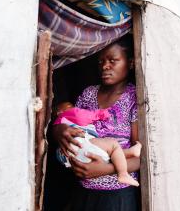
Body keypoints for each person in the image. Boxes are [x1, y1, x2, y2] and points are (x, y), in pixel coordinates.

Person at [53, 35, 141, 211]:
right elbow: (70, 122)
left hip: (117, 195)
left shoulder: (135, 98)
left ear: (130, 63)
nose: (105, 66)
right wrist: (59, 129)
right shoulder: (88, 94)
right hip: (83, 190)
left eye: (113, 60)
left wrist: (105, 169)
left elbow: (141, 159)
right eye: (101, 62)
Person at [54, 102, 142, 187]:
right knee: (113, 145)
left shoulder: (132, 99)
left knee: (109, 152)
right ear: (59, 113)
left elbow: (141, 160)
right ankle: (123, 174)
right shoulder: (76, 108)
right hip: (79, 146)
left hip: (70, 156)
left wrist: (106, 169)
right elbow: (86, 115)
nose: (74, 108)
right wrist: (102, 113)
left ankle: (130, 152)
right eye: (70, 107)